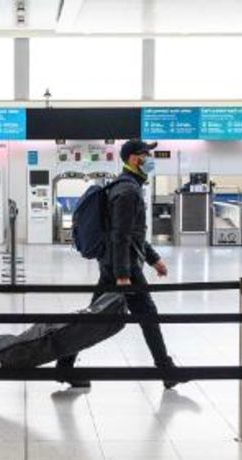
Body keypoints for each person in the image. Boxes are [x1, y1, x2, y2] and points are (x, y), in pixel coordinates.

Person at [59, 139, 179, 390]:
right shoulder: (128, 191)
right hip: (122, 267)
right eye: (147, 154)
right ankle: (167, 370)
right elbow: (120, 235)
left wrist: (153, 259)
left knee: (95, 317)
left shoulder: (128, 186)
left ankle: (65, 364)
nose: (150, 159)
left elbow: (132, 234)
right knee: (147, 316)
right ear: (135, 158)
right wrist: (123, 275)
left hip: (115, 263)